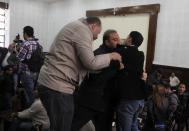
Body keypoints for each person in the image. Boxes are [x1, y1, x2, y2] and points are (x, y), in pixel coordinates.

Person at [37, 17, 122, 131]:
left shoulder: (76, 27)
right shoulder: (82, 30)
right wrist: (111, 56)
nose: (96, 37)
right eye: (97, 33)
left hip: (54, 84)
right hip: (58, 86)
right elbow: (91, 63)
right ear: (92, 26)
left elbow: (86, 66)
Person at [71, 29, 122, 131]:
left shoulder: (116, 54)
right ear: (107, 42)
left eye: (118, 39)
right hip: (89, 100)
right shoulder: (98, 54)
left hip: (106, 102)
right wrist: (116, 68)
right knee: (72, 126)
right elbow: (95, 78)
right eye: (115, 39)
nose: (118, 42)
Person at [116, 31, 146, 131]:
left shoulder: (123, 52)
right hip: (140, 99)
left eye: (127, 36)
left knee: (125, 128)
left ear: (130, 39)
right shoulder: (141, 54)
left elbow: (117, 49)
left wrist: (120, 42)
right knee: (133, 126)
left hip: (129, 98)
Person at [17, 26, 39, 105]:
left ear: (25, 34)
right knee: (33, 92)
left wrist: (17, 50)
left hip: (26, 72)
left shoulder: (25, 44)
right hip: (35, 72)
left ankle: (31, 112)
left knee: (29, 94)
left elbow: (19, 58)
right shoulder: (37, 43)